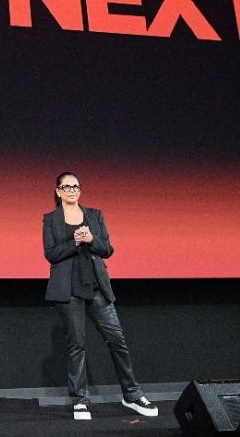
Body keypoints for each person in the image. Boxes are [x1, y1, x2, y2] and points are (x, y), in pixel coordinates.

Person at [43, 172, 158, 419]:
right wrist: (74, 241)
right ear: (58, 191)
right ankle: (80, 400)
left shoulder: (95, 215)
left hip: (96, 287)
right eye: (67, 186)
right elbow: (50, 254)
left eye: (76, 186)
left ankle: (133, 395)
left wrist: (92, 239)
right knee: (77, 346)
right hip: (69, 290)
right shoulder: (51, 219)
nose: (72, 190)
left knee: (117, 341)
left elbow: (107, 249)